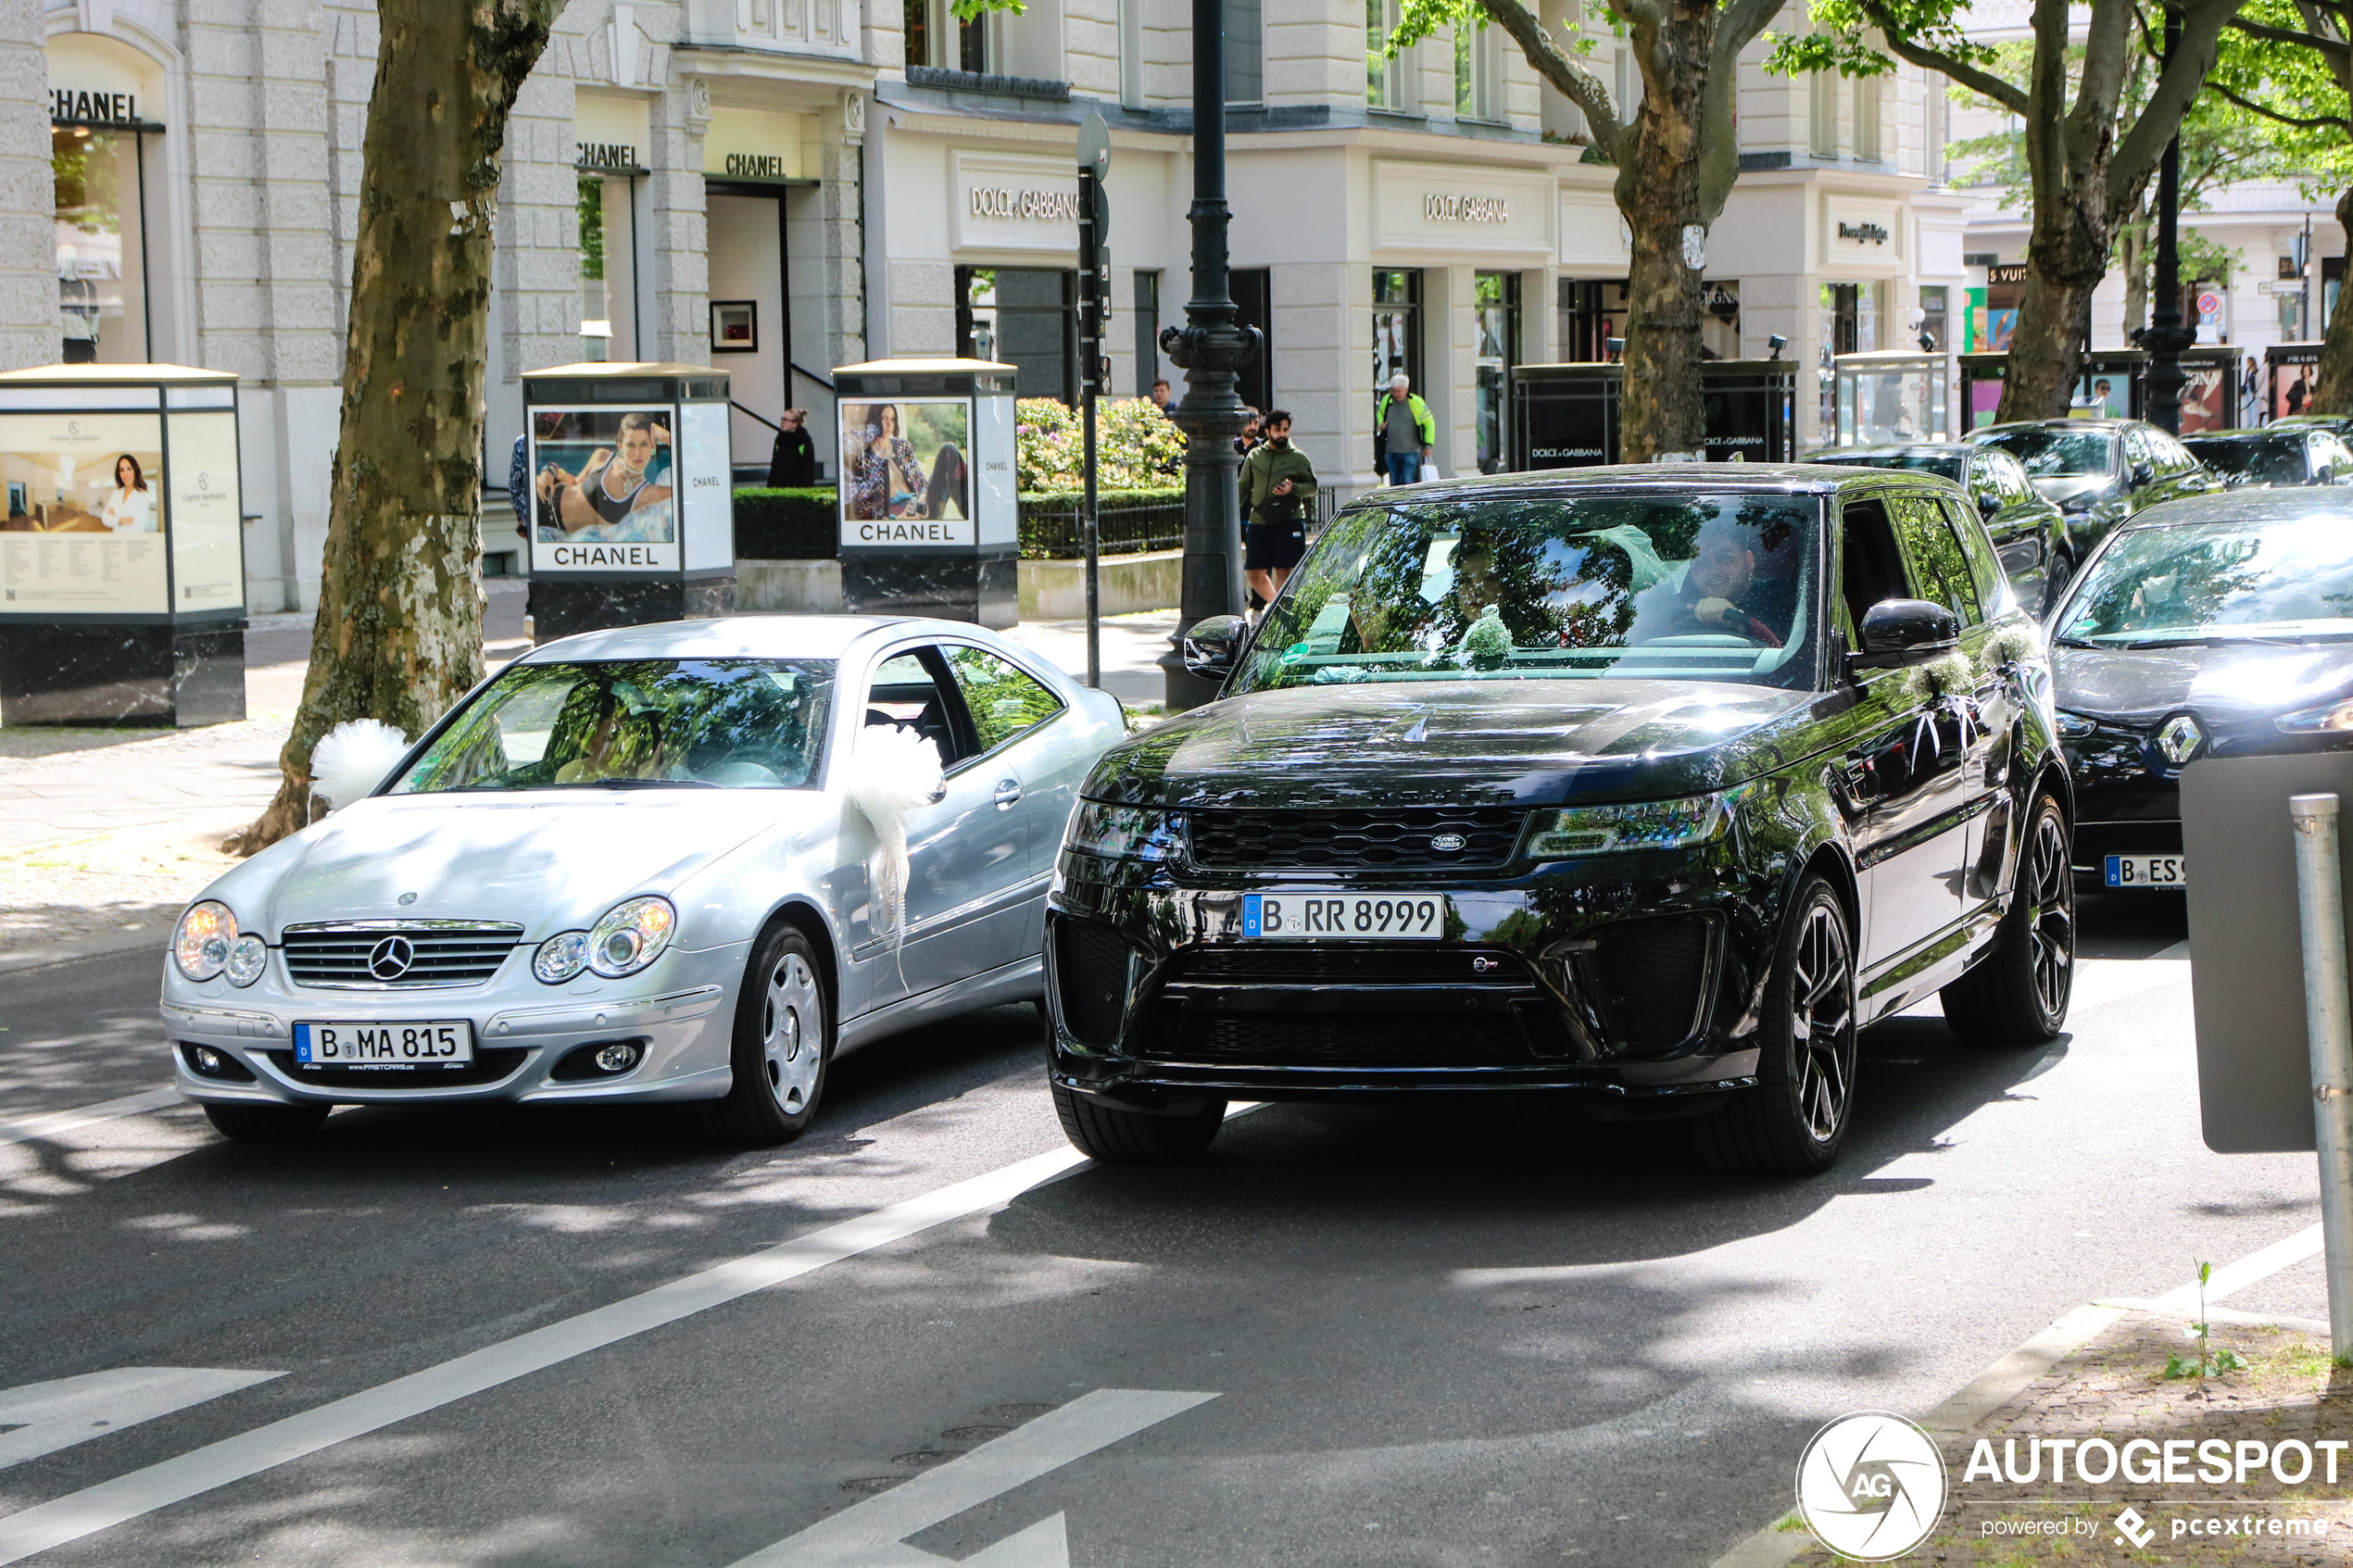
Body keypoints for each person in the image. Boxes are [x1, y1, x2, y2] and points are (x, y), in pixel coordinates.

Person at [1634, 520, 1789, 647]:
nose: (1712, 570)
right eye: (1701, 562)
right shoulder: (1678, 609)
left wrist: (1737, 616)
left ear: (1749, 561)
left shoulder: (1781, 599)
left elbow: (1789, 658)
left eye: (1724, 559)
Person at [537, 411, 673, 533]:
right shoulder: (603, 457)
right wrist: (550, 470)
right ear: (620, 446)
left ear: (652, 446)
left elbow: (689, 484)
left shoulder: (645, 494)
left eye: (644, 444)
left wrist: (665, 436)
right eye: (631, 445)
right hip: (542, 499)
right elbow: (574, 482)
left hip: (553, 532)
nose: (638, 453)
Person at [1240, 409, 1315, 610]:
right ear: (1267, 431)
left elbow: (1313, 486)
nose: (1282, 434)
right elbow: (1243, 487)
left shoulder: (1298, 458)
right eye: (1277, 430)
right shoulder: (1255, 456)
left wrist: (1293, 488)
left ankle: (1281, 614)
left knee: (1285, 570)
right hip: (1259, 521)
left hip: (1289, 519)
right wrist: (1230, 514)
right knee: (1254, 571)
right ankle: (1277, 608)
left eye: (1285, 429)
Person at [845, 403, 927, 521]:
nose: (889, 424)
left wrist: (922, 498)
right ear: (875, 420)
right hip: (895, 516)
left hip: (918, 506)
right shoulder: (864, 461)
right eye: (884, 419)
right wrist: (896, 519)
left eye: (892, 419)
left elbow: (920, 481)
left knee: (948, 449)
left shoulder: (902, 446)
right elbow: (865, 510)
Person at [1377, 372, 1435, 485]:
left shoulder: (1416, 403)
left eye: (1399, 391)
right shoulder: (1387, 401)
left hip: (1410, 450)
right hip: (1391, 450)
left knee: (1407, 480)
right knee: (1394, 483)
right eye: (1394, 391)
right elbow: (1380, 414)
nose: (1396, 394)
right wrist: (1381, 424)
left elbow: (1429, 423)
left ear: (1406, 389)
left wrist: (1428, 445)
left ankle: (1406, 503)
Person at [96, 454, 155, 533]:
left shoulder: (143, 495)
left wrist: (114, 518)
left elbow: (139, 526)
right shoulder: (116, 492)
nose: (125, 474)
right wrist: (123, 520)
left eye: (129, 469)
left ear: (135, 470)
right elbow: (104, 518)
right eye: (122, 470)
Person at [766, 408, 817, 487]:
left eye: (785, 420)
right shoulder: (779, 441)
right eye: (782, 419)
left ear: (794, 423)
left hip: (797, 489)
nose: (781, 422)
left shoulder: (804, 442)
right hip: (779, 489)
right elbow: (774, 468)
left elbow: (808, 471)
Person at [2242, 357, 2263, 427]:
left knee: (2254, 408)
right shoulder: (2247, 370)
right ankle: (2249, 423)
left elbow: (2256, 382)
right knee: (2248, 409)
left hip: (2252, 391)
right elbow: (2246, 381)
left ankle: (2255, 424)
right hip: (2247, 391)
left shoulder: (2256, 371)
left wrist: (2255, 391)